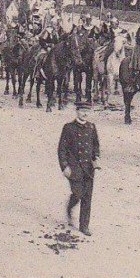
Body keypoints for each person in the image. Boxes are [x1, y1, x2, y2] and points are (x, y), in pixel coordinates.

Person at [57, 100, 100, 236]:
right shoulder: (68, 128)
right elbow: (62, 149)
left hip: (88, 168)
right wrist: (65, 166)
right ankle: (70, 207)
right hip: (74, 167)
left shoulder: (92, 127)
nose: (85, 114)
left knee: (87, 197)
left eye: (87, 111)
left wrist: (96, 158)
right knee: (77, 194)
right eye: (82, 111)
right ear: (77, 111)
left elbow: (96, 146)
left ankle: (84, 225)